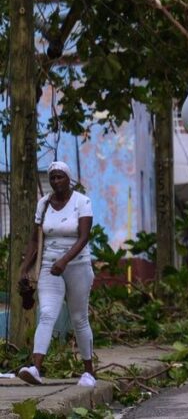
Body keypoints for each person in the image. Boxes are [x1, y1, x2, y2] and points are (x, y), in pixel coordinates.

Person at [17, 162, 97, 387]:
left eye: (60, 177)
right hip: (49, 266)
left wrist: (65, 260)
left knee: (79, 317)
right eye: (52, 178)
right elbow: (35, 239)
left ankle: (89, 372)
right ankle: (36, 368)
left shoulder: (82, 202)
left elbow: (83, 237)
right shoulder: (43, 204)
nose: (55, 182)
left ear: (68, 179)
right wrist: (25, 267)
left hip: (77, 266)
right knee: (47, 313)